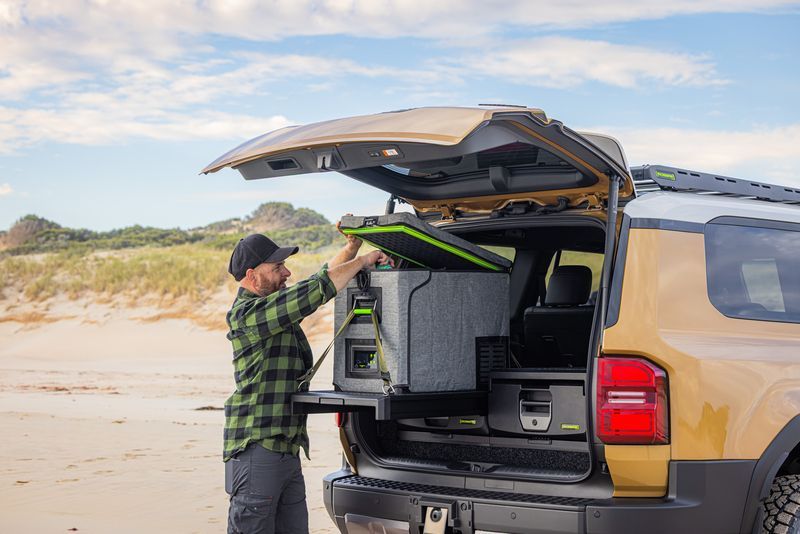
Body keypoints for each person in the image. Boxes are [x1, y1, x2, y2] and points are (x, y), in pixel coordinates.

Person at [223, 227, 392, 534]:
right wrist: (363, 261)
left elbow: (320, 283)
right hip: (257, 449)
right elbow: (313, 291)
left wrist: (351, 249)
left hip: (285, 448)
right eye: (277, 268)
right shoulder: (248, 315)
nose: (286, 272)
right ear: (252, 275)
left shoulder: (274, 309)